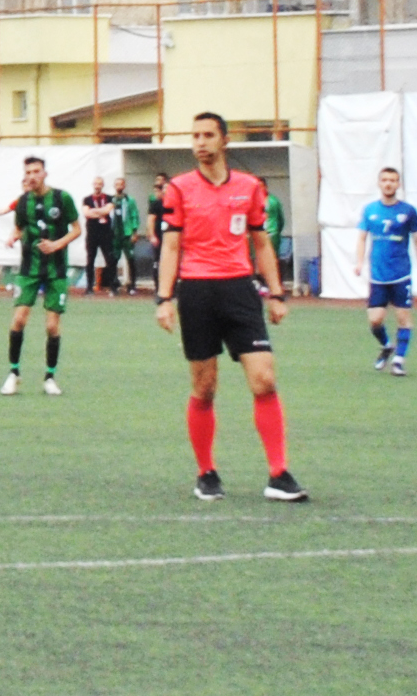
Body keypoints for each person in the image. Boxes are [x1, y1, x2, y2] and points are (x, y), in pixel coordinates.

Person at [156, 112, 306, 502]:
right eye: (195, 136)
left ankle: (279, 474)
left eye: (208, 135)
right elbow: (171, 247)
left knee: (264, 380)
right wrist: (164, 298)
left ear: (224, 141)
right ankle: (206, 473)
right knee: (204, 388)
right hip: (197, 293)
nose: (200, 142)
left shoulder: (250, 187)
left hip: (240, 290)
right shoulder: (178, 188)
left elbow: (261, 244)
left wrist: (276, 293)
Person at [0, 156, 80, 396]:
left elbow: (77, 229)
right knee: (18, 320)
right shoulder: (23, 203)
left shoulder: (62, 198)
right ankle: (14, 373)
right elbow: (20, 226)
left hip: (55, 270)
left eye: (36, 171)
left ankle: (50, 377)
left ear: (45, 173)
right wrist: (14, 236)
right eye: (28, 172)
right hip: (29, 270)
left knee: (52, 326)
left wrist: (56, 245)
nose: (32, 176)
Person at [355, 166, 417, 377]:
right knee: (375, 320)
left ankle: (399, 360)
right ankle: (387, 346)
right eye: (385, 180)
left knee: (403, 317)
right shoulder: (370, 210)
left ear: (398, 184)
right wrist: (359, 262)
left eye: (393, 180)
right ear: (379, 183)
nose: (388, 184)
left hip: (401, 274)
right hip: (378, 275)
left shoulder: (408, 211)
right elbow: (361, 237)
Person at [80, 177, 115, 294]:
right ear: (93, 185)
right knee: (90, 259)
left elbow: (107, 211)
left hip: (106, 233)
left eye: (99, 184)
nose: (97, 186)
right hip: (92, 233)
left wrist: (95, 211)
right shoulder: (87, 199)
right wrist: (101, 212)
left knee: (109, 259)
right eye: (95, 184)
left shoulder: (109, 198)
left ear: (103, 185)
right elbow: (86, 213)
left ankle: (112, 287)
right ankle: (89, 287)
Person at [110, 177, 141, 293]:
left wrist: (134, 231)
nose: (119, 186)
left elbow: (134, 215)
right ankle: (114, 286)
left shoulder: (129, 200)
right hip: (114, 235)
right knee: (113, 261)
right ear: (114, 186)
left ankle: (132, 286)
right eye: (117, 184)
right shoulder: (111, 200)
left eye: (121, 184)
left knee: (131, 259)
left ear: (124, 186)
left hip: (126, 234)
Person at [147, 172, 169, 288]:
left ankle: (171, 286)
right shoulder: (155, 204)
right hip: (159, 236)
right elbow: (150, 220)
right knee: (157, 261)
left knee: (171, 262)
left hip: (170, 237)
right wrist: (152, 235)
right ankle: (157, 286)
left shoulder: (173, 203)